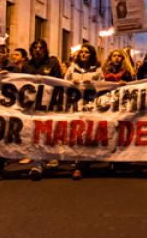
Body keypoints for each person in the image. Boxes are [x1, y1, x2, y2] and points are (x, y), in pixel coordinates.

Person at [21, 39, 62, 180]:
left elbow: (60, 82)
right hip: (32, 104)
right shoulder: (26, 66)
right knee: (35, 131)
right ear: (31, 50)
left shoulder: (53, 64)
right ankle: (38, 160)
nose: (38, 50)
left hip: (49, 103)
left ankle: (51, 155)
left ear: (45, 50)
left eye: (41, 47)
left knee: (49, 129)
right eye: (35, 47)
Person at [64, 43, 103, 180]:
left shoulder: (97, 70)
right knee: (76, 133)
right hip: (74, 105)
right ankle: (78, 164)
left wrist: (91, 83)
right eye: (82, 52)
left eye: (86, 52)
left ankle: (83, 161)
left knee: (86, 133)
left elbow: (103, 86)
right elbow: (63, 83)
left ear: (91, 55)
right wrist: (71, 82)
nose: (83, 54)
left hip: (90, 105)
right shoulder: (72, 68)